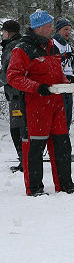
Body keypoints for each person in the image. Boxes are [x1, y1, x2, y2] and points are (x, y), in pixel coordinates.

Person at [6, 9, 74, 196]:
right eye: (50, 26)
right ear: (39, 27)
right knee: (35, 147)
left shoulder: (52, 45)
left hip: (56, 102)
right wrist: (36, 86)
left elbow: (58, 73)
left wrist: (67, 84)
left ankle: (65, 184)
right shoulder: (22, 49)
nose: (52, 29)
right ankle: (35, 188)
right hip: (36, 104)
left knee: (62, 144)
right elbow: (13, 77)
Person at [52, 17, 74, 130]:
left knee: (66, 120)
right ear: (58, 30)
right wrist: (62, 57)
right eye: (65, 29)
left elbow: (70, 68)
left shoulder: (68, 46)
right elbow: (50, 65)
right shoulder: (52, 44)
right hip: (57, 87)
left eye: (69, 30)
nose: (68, 32)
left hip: (68, 86)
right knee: (58, 121)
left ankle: (64, 141)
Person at [1, 20, 24, 172]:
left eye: (3, 32)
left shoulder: (11, 47)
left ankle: (25, 161)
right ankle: (26, 160)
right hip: (18, 93)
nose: (2, 34)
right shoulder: (18, 45)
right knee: (20, 128)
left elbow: (10, 74)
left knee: (17, 129)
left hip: (17, 95)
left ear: (8, 33)